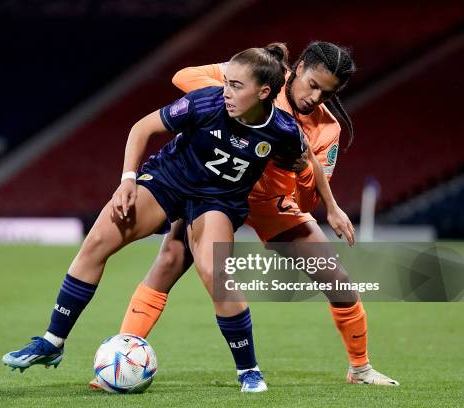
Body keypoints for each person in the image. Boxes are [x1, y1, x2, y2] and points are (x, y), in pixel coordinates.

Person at [2, 43, 330, 392]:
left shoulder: (282, 131)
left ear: (264, 92)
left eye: (236, 85)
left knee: (215, 273)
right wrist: (127, 180)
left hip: (217, 201)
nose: (227, 91)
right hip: (169, 181)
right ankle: (52, 342)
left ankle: (248, 370)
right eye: (227, 82)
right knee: (97, 241)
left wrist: (332, 207)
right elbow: (141, 128)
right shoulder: (205, 102)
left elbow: (308, 161)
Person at [108, 42, 399, 387]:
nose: (315, 97)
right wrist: (236, 101)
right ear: (300, 67)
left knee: (336, 279)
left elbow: (306, 202)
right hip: (216, 189)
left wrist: (303, 170)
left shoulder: (327, 129)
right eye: (313, 84)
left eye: (327, 93)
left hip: (269, 204)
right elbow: (183, 77)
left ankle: (361, 369)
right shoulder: (262, 80)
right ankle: (120, 357)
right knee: (170, 258)